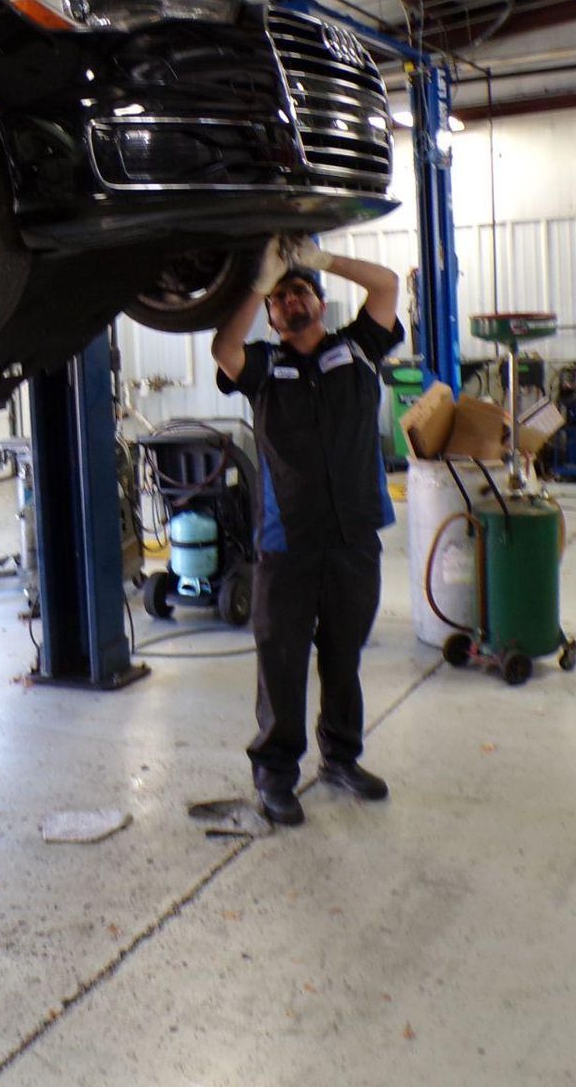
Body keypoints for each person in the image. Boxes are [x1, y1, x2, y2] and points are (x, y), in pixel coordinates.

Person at [210, 235, 404, 826]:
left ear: (321, 303)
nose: (292, 301)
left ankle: (341, 758)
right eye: (282, 298)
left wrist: (318, 260)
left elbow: (386, 285)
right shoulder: (265, 366)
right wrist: (258, 283)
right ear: (272, 311)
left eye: (302, 293)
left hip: (354, 537)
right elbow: (225, 346)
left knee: (343, 656)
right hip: (285, 542)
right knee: (283, 660)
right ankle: (275, 776)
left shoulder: (359, 349)